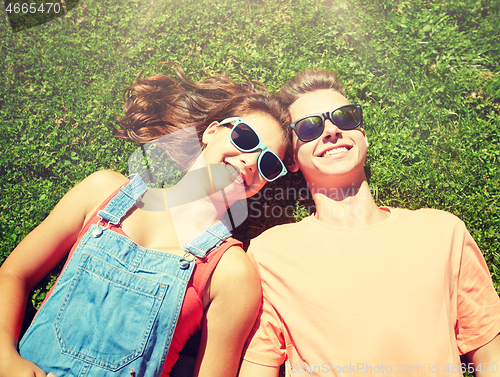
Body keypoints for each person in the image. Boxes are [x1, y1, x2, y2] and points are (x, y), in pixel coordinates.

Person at [0, 67, 291, 377]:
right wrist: (5, 356)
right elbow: (14, 274)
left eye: (268, 163)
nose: (250, 161)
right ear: (212, 132)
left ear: (264, 183)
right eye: (245, 138)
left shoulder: (231, 272)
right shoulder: (103, 192)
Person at [239, 68, 500, 377]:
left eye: (344, 117)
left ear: (362, 134)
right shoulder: (271, 254)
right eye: (309, 128)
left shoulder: (442, 232)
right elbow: (259, 365)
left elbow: (488, 352)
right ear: (292, 160)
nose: (331, 131)